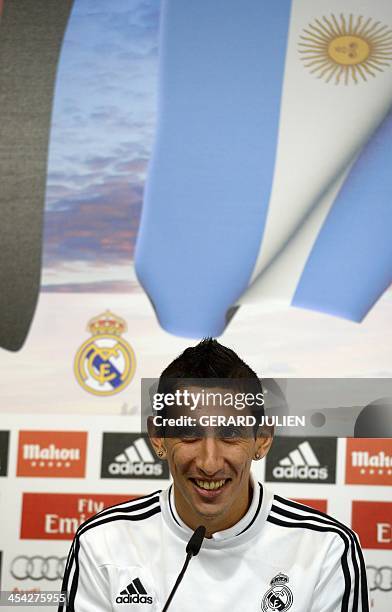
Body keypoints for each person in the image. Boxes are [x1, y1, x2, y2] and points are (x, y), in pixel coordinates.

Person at [60, 339, 369, 611]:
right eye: (190, 433)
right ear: (158, 436)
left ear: (262, 438)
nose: (209, 463)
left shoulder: (327, 548)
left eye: (230, 434)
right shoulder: (101, 542)